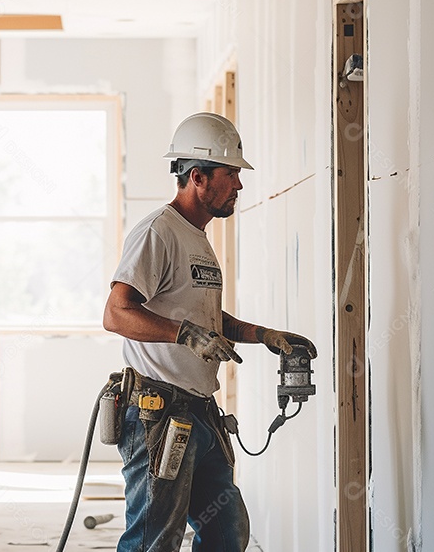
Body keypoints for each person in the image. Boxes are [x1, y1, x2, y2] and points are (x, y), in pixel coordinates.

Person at [103, 112, 317, 552]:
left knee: (226, 532)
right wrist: (184, 334)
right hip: (157, 412)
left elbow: (209, 321)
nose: (239, 185)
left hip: (199, 411)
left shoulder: (197, 237)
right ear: (197, 176)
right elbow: (116, 314)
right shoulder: (158, 232)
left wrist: (264, 334)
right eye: (231, 174)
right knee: (153, 540)